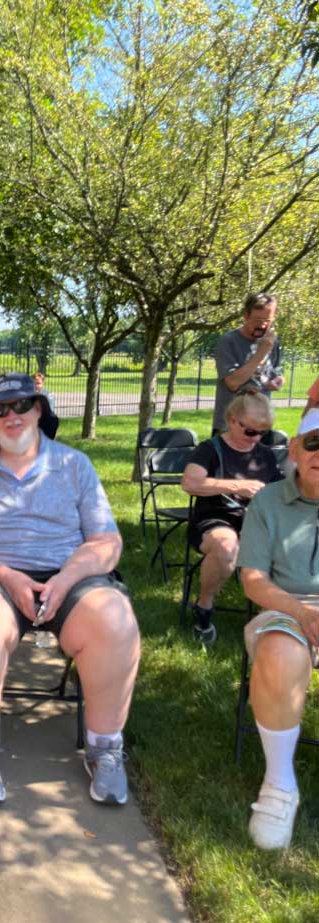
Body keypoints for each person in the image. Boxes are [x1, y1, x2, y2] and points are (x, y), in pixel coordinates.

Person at [0, 372, 140, 806]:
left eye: (22, 405)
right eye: (1, 409)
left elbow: (108, 541)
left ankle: (105, 750)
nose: (12, 416)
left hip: (69, 574)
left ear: (39, 410)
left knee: (115, 618)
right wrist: (8, 576)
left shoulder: (73, 464)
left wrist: (65, 579)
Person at [237, 408, 319, 850]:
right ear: (294, 449)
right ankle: (281, 782)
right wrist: (303, 613)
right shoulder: (268, 501)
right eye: (314, 443)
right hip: (285, 606)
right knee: (279, 652)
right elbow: (253, 580)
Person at [182, 391, 282, 643]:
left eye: (263, 432)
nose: (256, 438)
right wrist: (236, 486)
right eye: (250, 431)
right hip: (215, 518)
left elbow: (283, 491)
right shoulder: (210, 449)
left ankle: (271, 616)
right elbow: (190, 483)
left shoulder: (265, 455)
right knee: (227, 547)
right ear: (232, 419)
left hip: (257, 521)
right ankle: (204, 607)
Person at [212, 292, 283, 434]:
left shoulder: (272, 342)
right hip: (231, 426)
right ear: (246, 316)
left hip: (261, 424)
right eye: (257, 320)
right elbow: (232, 383)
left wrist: (277, 381)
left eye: (267, 320)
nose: (262, 325)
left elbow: (278, 372)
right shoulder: (228, 341)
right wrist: (261, 353)